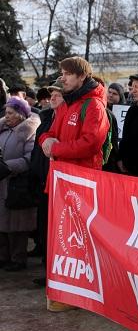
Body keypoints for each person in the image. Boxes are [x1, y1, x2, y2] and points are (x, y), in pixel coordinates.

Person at [39, 57, 109, 311]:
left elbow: (91, 143)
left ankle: (82, 291)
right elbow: (48, 131)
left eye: (67, 74)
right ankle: (64, 288)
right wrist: (46, 141)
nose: (63, 78)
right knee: (61, 238)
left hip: (81, 183)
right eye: (62, 73)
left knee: (79, 240)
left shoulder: (93, 106)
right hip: (61, 181)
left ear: (81, 76)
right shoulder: (66, 104)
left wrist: (57, 147)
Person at [29, 83, 64, 282]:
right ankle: (46, 266)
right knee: (44, 226)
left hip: (57, 181)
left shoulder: (64, 118)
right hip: (43, 178)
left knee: (55, 229)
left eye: (57, 95)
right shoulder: (47, 117)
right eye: (52, 95)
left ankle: (52, 272)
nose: (52, 98)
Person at [0, 98, 40, 272]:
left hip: (16, 183)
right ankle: (3, 257)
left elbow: (30, 158)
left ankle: (18, 258)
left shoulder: (28, 131)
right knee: (1, 222)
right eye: (5, 113)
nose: (6, 117)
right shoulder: (2, 129)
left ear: (20, 115)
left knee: (17, 224)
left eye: (10, 113)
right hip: (1, 182)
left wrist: (9, 167)